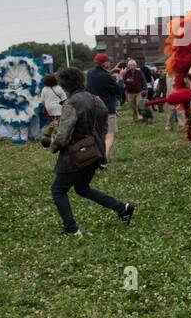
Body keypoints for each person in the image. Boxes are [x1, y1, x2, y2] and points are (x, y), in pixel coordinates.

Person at [49, 67, 134, 236]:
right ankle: (122, 208)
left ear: (65, 85)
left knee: (58, 190)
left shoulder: (71, 103)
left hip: (76, 154)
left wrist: (52, 145)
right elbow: (103, 128)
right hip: (95, 152)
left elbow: (64, 134)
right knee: (82, 188)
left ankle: (71, 229)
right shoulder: (97, 100)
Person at [85, 52, 124, 160]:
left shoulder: (90, 73)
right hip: (108, 109)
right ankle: (103, 158)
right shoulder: (106, 76)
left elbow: (101, 78)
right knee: (109, 134)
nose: (110, 63)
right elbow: (119, 91)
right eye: (108, 61)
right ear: (105, 63)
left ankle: (95, 156)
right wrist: (120, 78)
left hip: (94, 108)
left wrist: (111, 72)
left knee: (98, 135)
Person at [122, 58, 146, 122]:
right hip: (130, 92)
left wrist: (145, 88)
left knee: (139, 104)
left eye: (133, 65)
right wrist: (126, 81)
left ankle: (140, 116)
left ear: (135, 66)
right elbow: (123, 81)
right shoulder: (126, 73)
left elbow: (143, 80)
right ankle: (135, 117)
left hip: (138, 91)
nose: (132, 66)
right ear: (128, 66)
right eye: (130, 65)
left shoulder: (139, 72)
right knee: (132, 105)